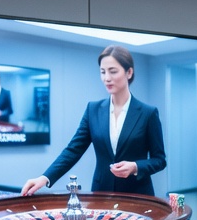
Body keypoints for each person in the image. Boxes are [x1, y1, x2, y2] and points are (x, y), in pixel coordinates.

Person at [22, 45, 166, 196]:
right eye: (103, 72)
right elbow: (73, 150)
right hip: (101, 193)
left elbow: (159, 160)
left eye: (113, 71)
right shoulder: (93, 110)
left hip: (137, 195)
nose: (106, 78)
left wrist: (135, 167)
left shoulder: (148, 113)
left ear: (129, 72)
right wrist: (45, 178)